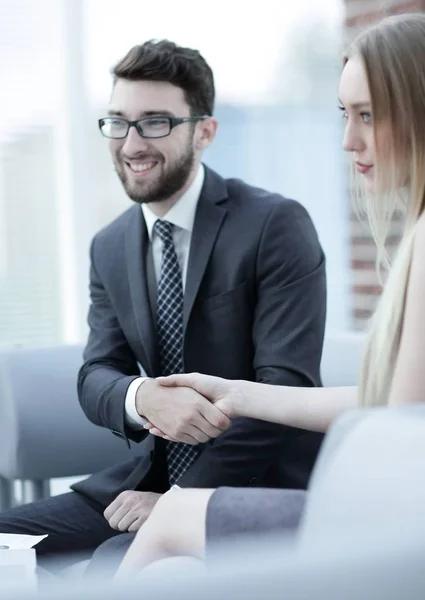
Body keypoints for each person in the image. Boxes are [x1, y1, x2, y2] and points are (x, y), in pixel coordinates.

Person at [115, 13, 425, 577]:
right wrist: (236, 393)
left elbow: (397, 425)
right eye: (343, 114)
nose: (348, 140)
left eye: (369, 115)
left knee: (172, 517)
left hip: (402, 521)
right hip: (400, 504)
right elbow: (389, 403)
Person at [0, 39, 326, 570]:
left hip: (252, 486)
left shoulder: (274, 225)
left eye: (155, 122)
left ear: (205, 132)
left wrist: (179, 502)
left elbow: (284, 392)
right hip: (143, 481)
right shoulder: (109, 245)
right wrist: (141, 396)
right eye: (118, 122)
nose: (131, 143)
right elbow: (97, 373)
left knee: (113, 560)